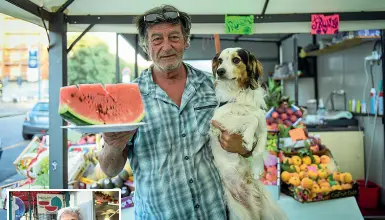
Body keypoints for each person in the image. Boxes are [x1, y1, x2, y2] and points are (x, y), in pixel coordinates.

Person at [98, 5, 252, 220]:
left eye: (174, 37)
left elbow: (246, 142)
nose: (167, 46)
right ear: (145, 45)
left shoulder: (214, 86)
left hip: (215, 212)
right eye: (157, 39)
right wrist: (114, 145)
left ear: (186, 41)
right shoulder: (126, 98)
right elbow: (109, 170)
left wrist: (244, 147)